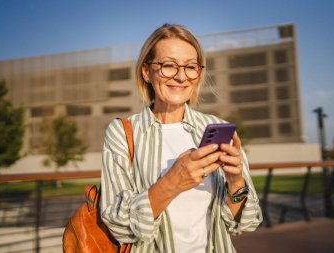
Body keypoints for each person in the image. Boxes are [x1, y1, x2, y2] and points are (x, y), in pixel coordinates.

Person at [100, 23, 262, 253]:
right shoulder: (121, 133)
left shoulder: (218, 128)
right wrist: (172, 182)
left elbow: (247, 222)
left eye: (190, 67)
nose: (180, 76)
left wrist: (236, 182)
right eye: (168, 65)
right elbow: (118, 225)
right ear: (146, 72)